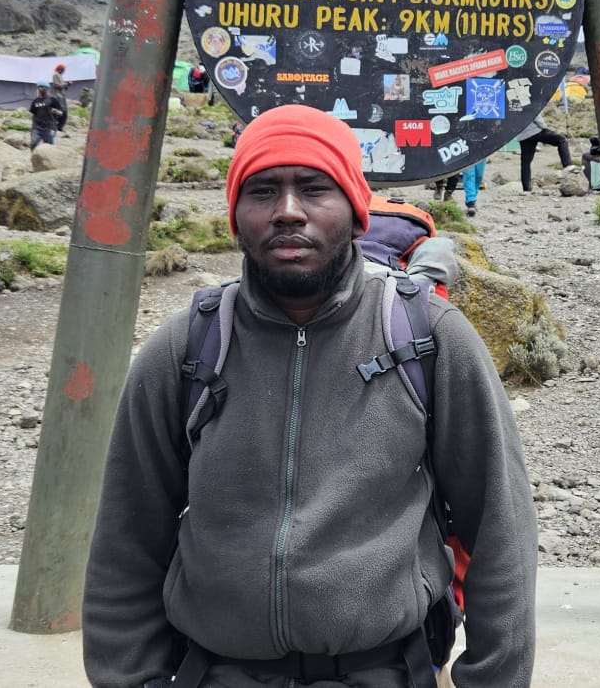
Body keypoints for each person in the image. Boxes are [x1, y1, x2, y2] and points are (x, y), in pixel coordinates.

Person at [83, 105, 536, 688]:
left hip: (387, 670)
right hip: (215, 671)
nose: (288, 211)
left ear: (355, 212)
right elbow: (128, 531)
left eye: (315, 189)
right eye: (263, 190)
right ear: (235, 216)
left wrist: (495, 678)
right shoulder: (188, 346)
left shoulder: (429, 338)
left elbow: (499, 522)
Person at [515, 120, 571, 193]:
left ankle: (527, 189)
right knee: (561, 140)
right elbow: (536, 117)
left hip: (523, 135)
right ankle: (568, 166)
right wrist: (545, 127)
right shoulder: (530, 107)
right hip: (535, 131)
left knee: (526, 162)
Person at [29, 84, 66, 149]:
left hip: (49, 127)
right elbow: (33, 114)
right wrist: (33, 126)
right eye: (39, 87)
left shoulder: (52, 100)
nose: (40, 88)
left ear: (47, 88)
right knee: (33, 143)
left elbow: (61, 113)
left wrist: (56, 111)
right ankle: (34, 157)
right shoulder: (35, 101)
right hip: (37, 127)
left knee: (49, 146)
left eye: (42, 87)